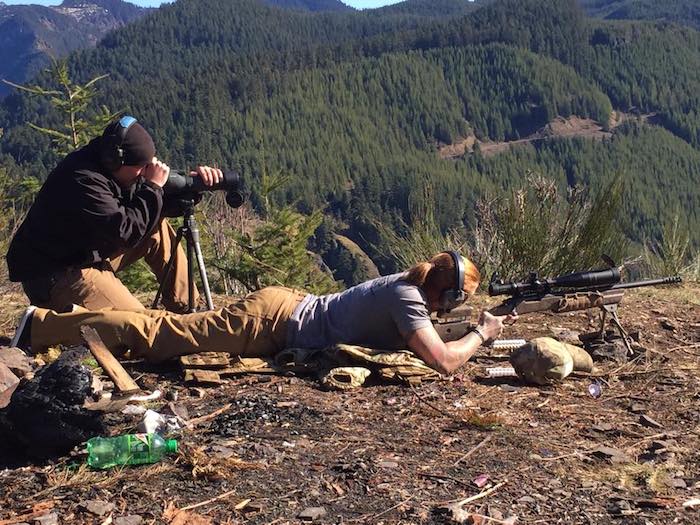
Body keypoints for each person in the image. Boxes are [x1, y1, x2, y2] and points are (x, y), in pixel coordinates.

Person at [11, 251, 514, 375]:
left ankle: (53, 323)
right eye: (457, 299)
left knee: (168, 330)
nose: (456, 308)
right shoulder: (408, 298)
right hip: (272, 323)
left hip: (284, 310)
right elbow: (445, 362)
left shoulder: (408, 286)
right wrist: (483, 336)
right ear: (443, 292)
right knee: (163, 332)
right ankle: (43, 325)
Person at [6, 116, 223, 314]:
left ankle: (190, 310)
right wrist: (153, 187)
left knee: (157, 227)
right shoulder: (83, 179)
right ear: (115, 160)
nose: (144, 172)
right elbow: (126, 232)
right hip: (56, 274)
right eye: (140, 167)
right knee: (140, 326)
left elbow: (148, 209)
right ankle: (38, 326)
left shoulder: (114, 169)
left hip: (89, 253)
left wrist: (193, 189)